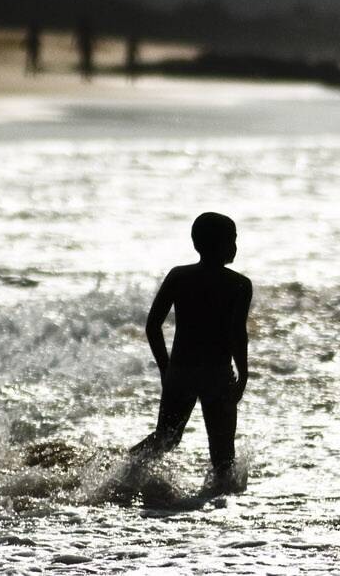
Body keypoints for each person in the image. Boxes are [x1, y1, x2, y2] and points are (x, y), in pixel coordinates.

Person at [129, 212, 252, 494]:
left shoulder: (179, 276)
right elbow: (237, 336)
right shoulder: (239, 285)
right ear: (220, 244)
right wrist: (243, 374)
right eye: (232, 240)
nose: (235, 247)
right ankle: (216, 512)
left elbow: (152, 326)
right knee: (223, 457)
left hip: (181, 372)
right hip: (217, 375)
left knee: (165, 439)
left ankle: (121, 474)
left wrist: (166, 368)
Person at [75, 16, 96, 82]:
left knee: (84, 61)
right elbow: (93, 37)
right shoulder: (88, 29)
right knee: (88, 61)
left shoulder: (81, 29)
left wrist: (76, 44)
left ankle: (84, 75)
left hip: (83, 45)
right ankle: (87, 76)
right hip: (87, 45)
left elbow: (77, 37)